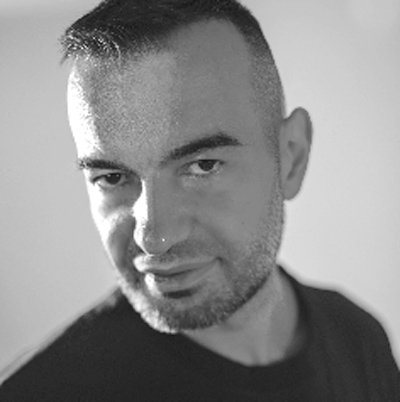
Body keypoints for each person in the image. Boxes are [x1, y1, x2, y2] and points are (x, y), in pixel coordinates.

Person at [1, 0, 399, 400]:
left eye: (203, 166)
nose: (154, 237)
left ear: (291, 158)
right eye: (112, 177)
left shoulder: (357, 340)